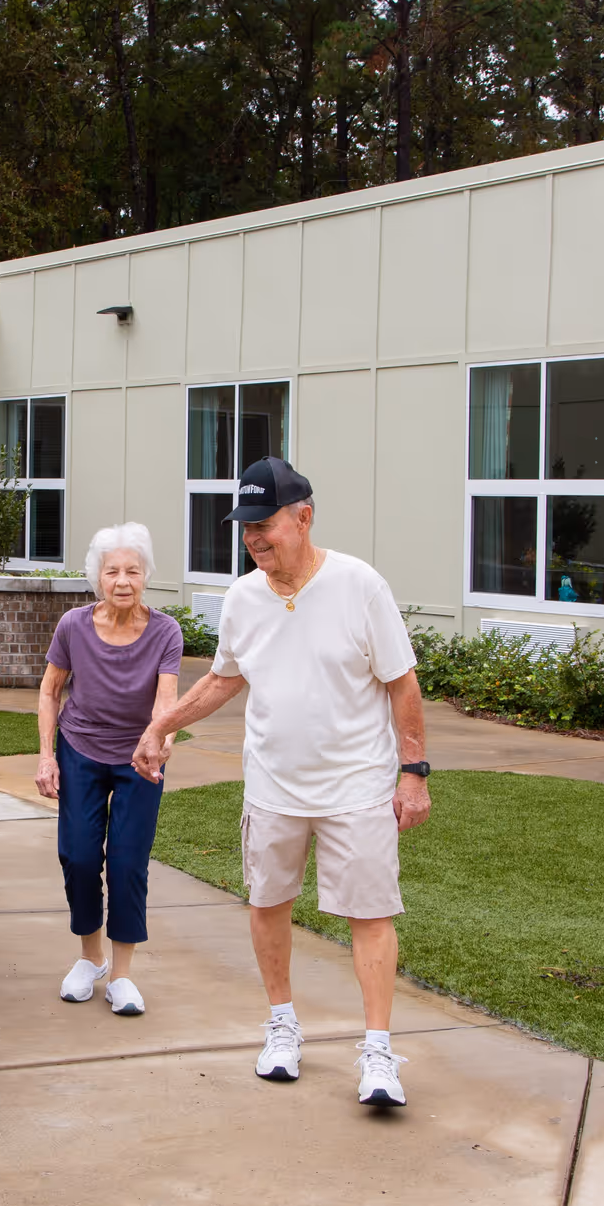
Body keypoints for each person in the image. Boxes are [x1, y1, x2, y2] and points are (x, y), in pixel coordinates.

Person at [133, 458, 430, 1107]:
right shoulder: (242, 598)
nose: (254, 540)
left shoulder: (359, 586)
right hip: (273, 786)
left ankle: (377, 1051)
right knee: (268, 904)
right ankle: (282, 1027)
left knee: (370, 914)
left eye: (264, 525)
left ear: (305, 517)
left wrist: (413, 772)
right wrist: (162, 727)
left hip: (356, 783)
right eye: (246, 529)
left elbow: (402, 682)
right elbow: (224, 677)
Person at [37, 522, 184, 1017]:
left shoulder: (166, 632)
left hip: (139, 759)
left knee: (126, 863)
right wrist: (46, 755)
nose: (123, 580)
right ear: (97, 576)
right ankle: (90, 958)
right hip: (80, 749)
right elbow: (50, 691)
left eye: (133, 571)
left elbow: (167, 701)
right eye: (113, 571)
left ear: (146, 577)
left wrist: (159, 741)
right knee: (78, 856)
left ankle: (122, 974)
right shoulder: (73, 626)